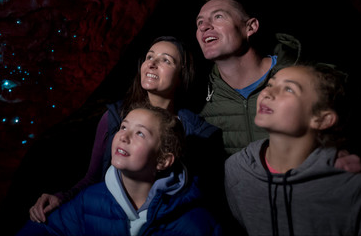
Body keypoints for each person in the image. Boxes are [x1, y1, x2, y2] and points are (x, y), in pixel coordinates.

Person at [29, 36, 222, 224]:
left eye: (165, 60)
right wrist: (61, 198)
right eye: (149, 57)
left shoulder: (197, 133)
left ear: (182, 75)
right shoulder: (114, 118)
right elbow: (92, 178)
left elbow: (202, 195)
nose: (152, 64)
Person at [195, 0, 361, 176]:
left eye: (218, 17)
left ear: (251, 27)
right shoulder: (199, 98)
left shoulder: (312, 79)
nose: (204, 26)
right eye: (199, 22)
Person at [17, 106, 222, 236]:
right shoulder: (89, 201)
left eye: (140, 133)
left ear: (162, 160)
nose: (124, 136)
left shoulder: (195, 223)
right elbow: (47, 229)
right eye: (123, 127)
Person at [224, 63, 361, 235]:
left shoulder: (354, 188)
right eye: (270, 84)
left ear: (322, 119)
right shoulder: (236, 170)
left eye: (288, 89)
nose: (267, 93)